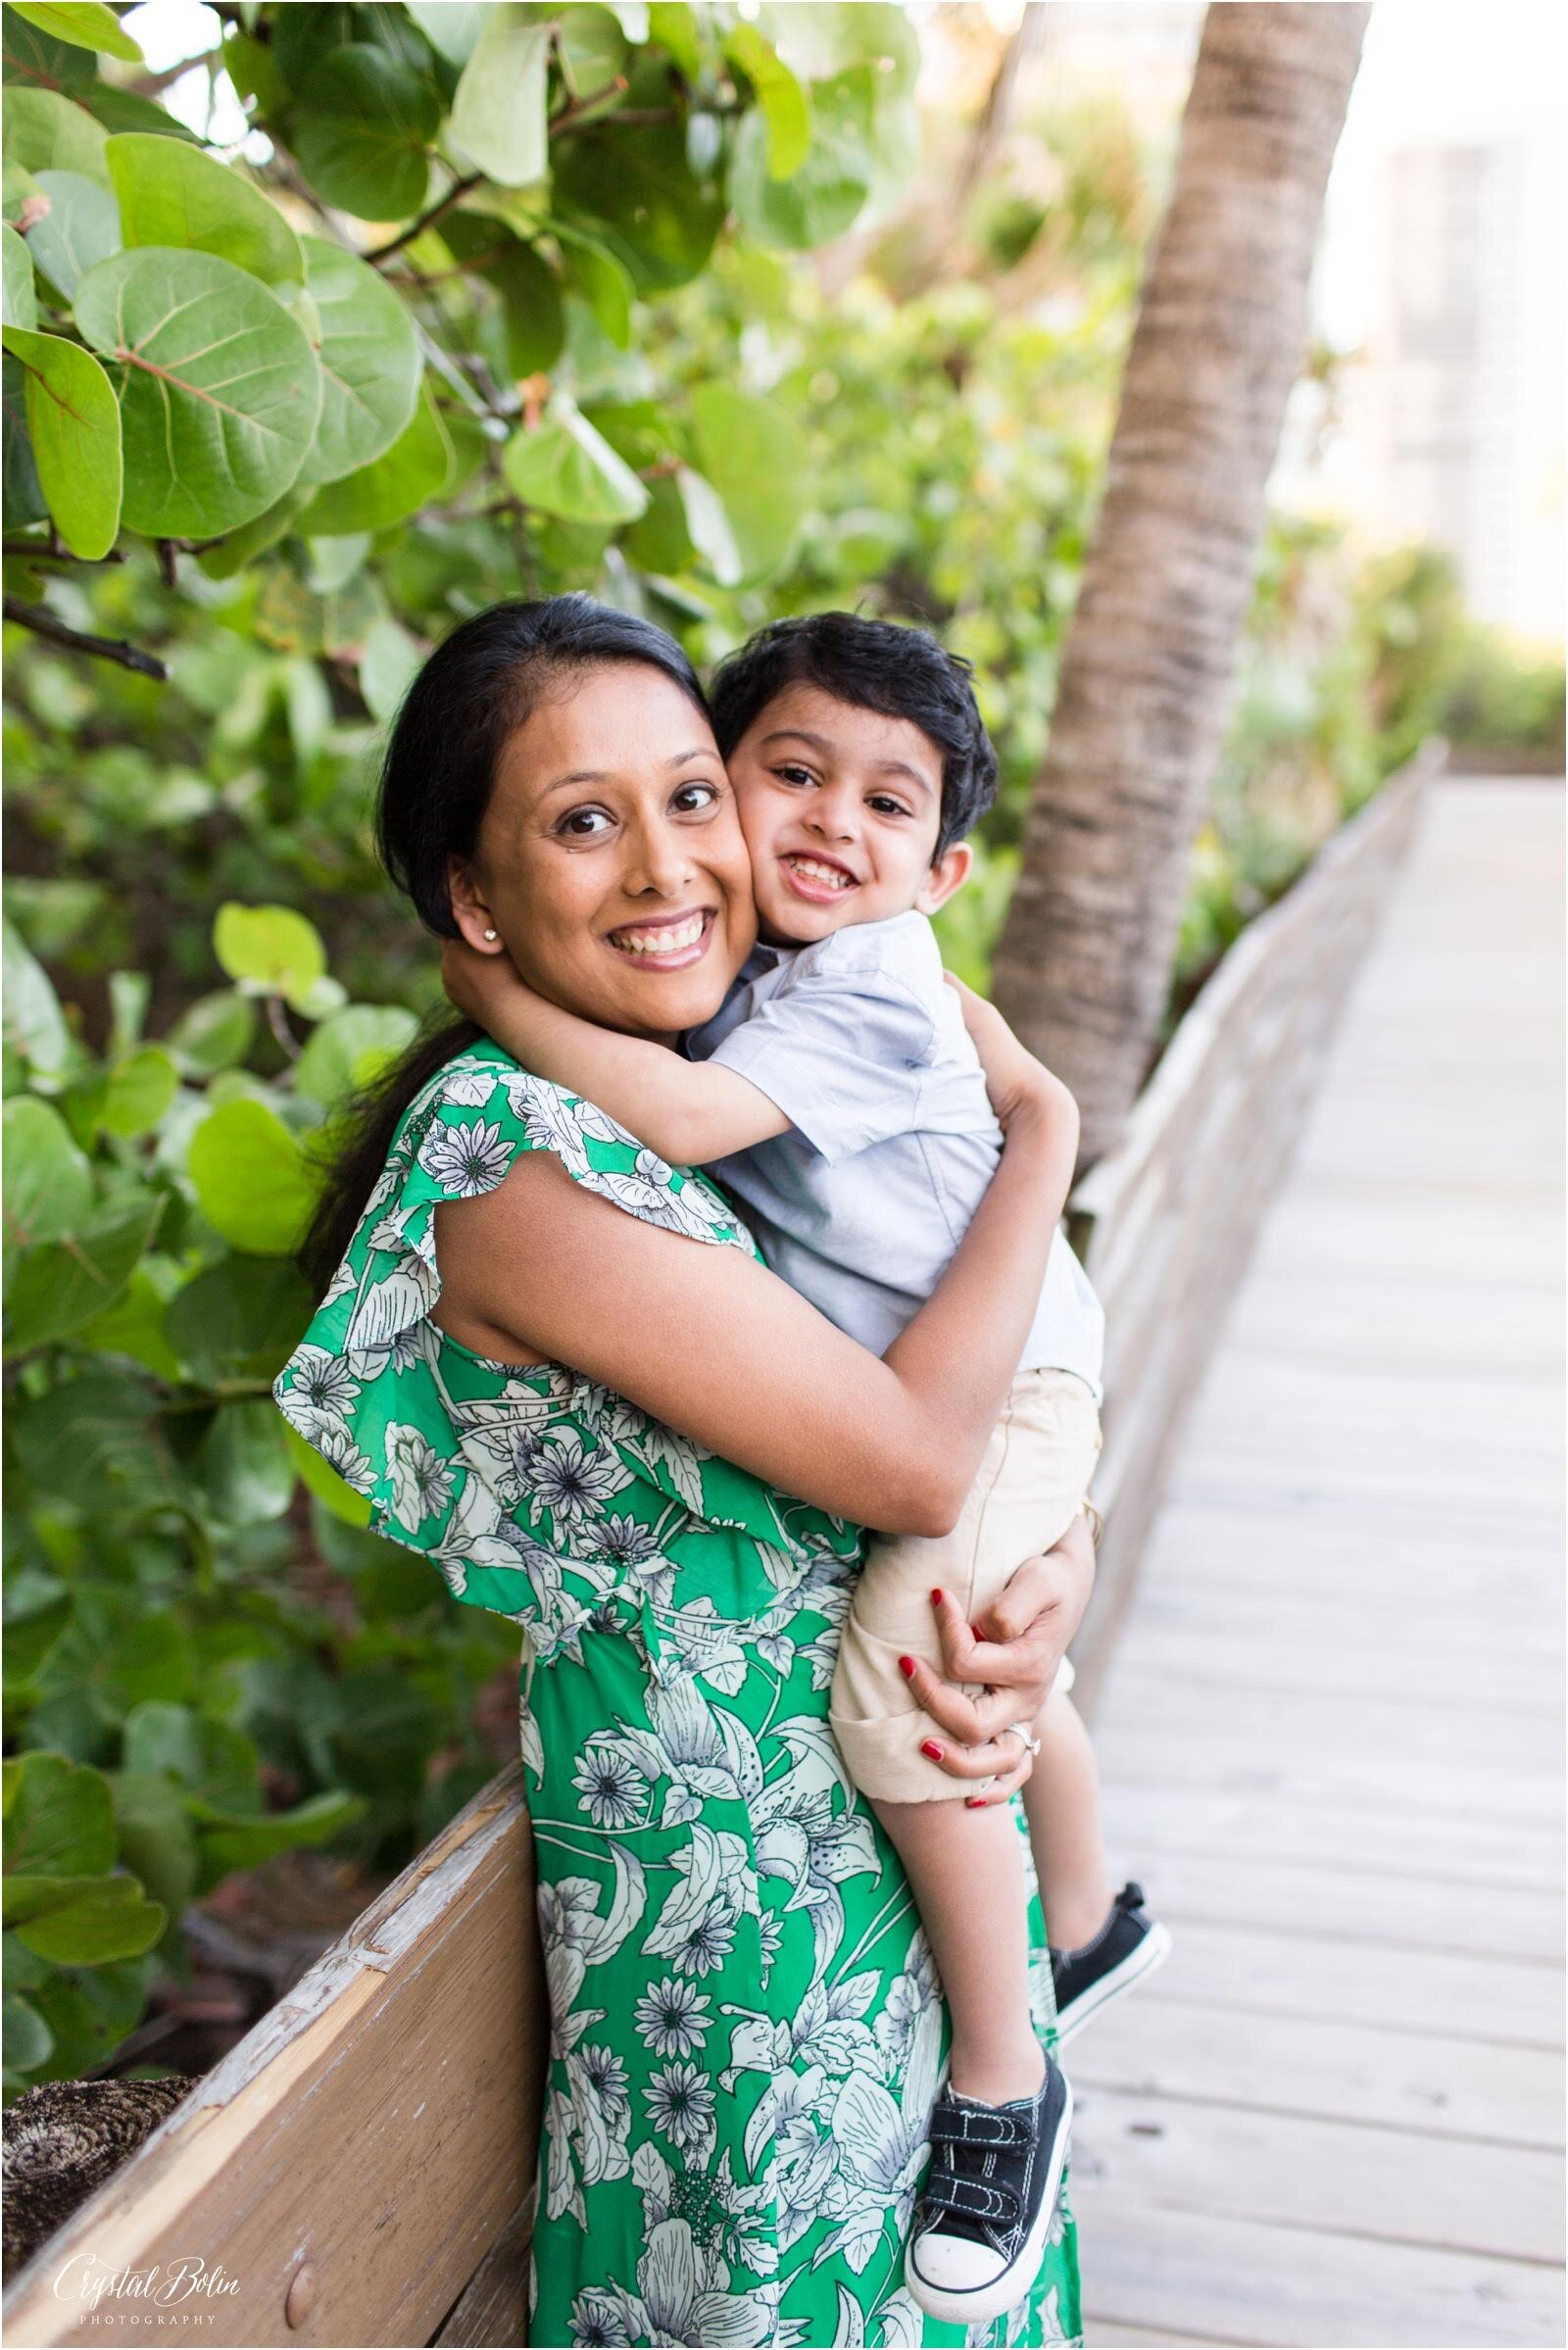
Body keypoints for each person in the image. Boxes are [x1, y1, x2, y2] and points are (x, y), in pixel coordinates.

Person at [275, 595, 1096, 2348]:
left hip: (896, 1819)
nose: (671, 865)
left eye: (689, 796)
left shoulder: (727, 1063)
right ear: (473, 900)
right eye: (585, 820)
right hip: (737, 1902)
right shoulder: (520, 1152)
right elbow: (913, 1453)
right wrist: (1050, 1135)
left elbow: (941, 1402)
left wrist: (1059, 1565)